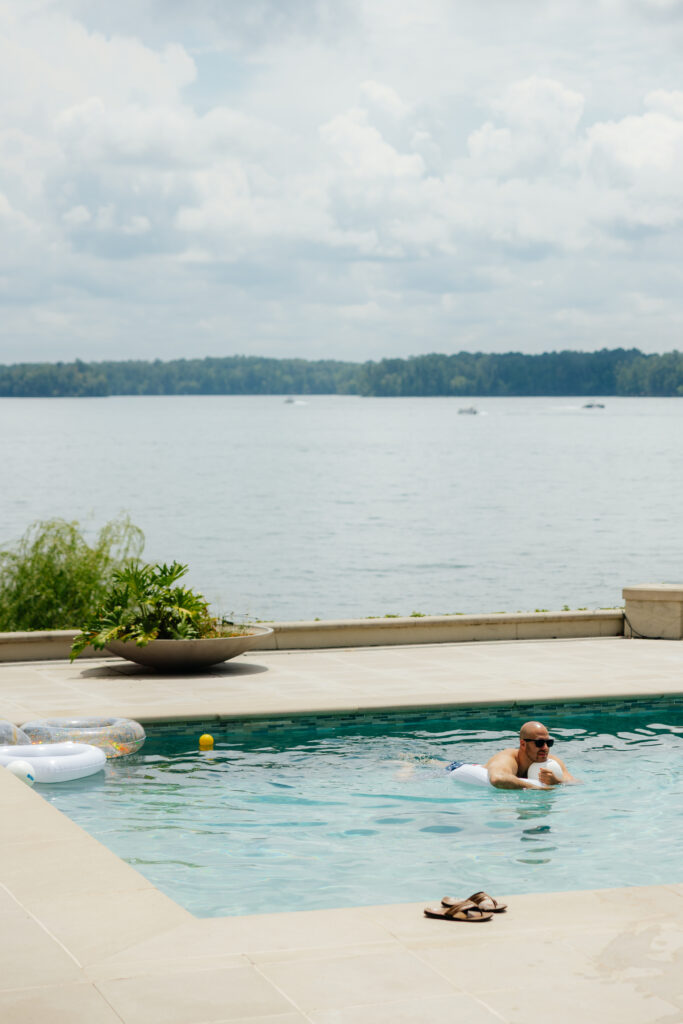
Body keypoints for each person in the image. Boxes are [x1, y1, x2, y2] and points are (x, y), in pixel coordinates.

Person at [485, 720, 577, 789]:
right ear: (523, 744)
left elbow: (576, 783)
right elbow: (497, 778)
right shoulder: (507, 758)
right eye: (539, 743)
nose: (545, 748)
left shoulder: (553, 761)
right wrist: (536, 788)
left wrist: (557, 781)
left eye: (548, 743)